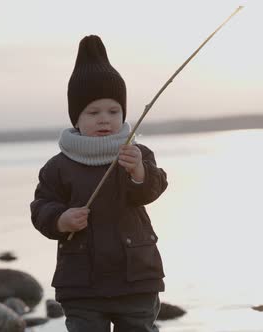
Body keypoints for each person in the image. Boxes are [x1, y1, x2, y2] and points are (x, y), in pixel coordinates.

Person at [30, 35, 168, 332]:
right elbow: (41, 208)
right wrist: (61, 219)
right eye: (93, 113)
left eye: (113, 111)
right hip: (82, 283)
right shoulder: (58, 167)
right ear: (76, 117)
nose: (104, 119)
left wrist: (139, 173)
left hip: (136, 276)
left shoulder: (136, 154)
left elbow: (153, 189)